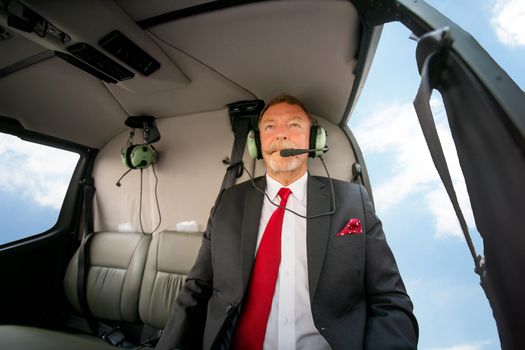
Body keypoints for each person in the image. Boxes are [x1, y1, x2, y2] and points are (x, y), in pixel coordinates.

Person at [156, 94, 418, 350]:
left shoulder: (352, 201)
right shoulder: (228, 203)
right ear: (257, 143)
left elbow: (389, 300)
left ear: (313, 139)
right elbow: (197, 290)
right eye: (269, 127)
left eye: (294, 125)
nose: (281, 134)